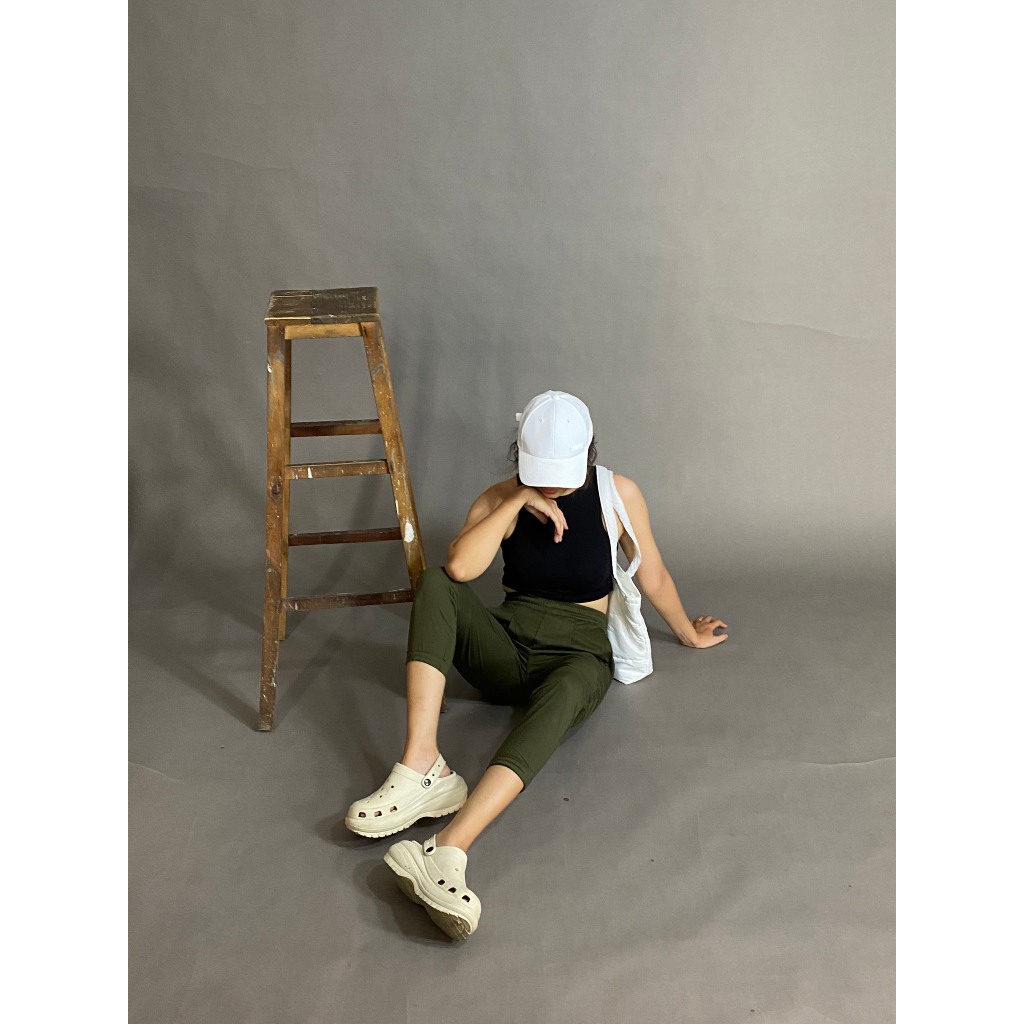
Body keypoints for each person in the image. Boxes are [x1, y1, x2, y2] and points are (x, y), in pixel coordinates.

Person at [345, 390, 728, 940]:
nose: (552, 485)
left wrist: (688, 632)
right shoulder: (500, 497)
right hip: (507, 644)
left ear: (588, 454)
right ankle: (424, 767)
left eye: (560, 474)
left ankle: (448, 848)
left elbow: (654, 572)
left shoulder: (616, 493)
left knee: (567, 695)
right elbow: (460, 569)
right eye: (538, 473)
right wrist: (515, 500)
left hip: (578, 652)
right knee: (434, 583)